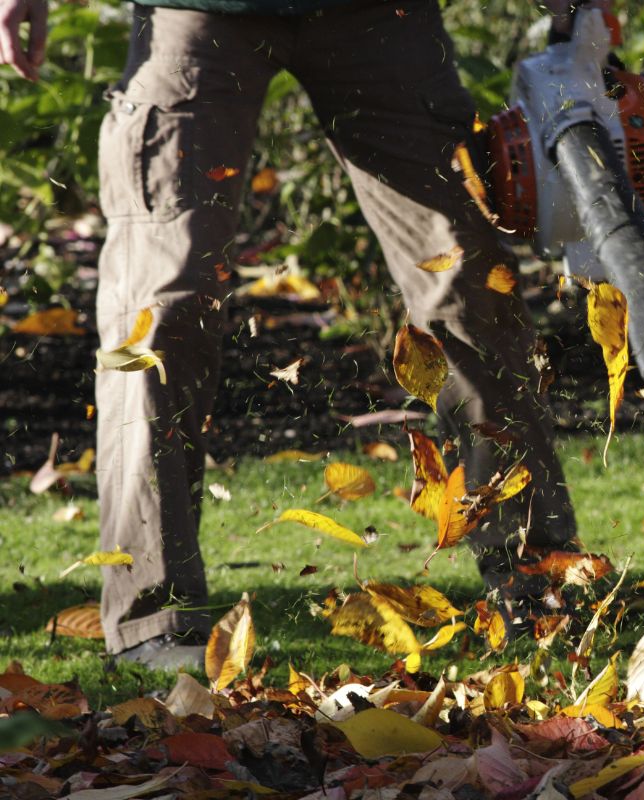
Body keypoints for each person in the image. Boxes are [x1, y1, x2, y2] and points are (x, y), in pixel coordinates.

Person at [1, 0, 597, 669]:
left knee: (469, 289)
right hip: (197, 11)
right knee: (160, 309)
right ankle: (154, 623)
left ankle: (541, 591)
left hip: (380, 14)